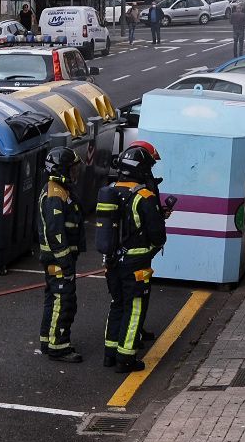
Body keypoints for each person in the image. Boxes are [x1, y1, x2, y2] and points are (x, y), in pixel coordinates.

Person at [100, 141, 169, 372]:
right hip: (136, 264)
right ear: (141, 169)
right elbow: (157, 235)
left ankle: (110, 354)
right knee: (135, 308)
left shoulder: (110, 191)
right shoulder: (144, 196)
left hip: (112, 261)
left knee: (117, 304)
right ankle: (126, 358)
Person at [37, 146, 85, 363]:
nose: (75, 173)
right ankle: (58, 347)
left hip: (56, 259)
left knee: (53, 300)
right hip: (58, 260)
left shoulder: (59, 190)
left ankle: (48, 340)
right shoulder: (55, 195)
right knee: (63, 301)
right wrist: (66, 262)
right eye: (72, 169)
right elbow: (56, 232)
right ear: (61, 170)